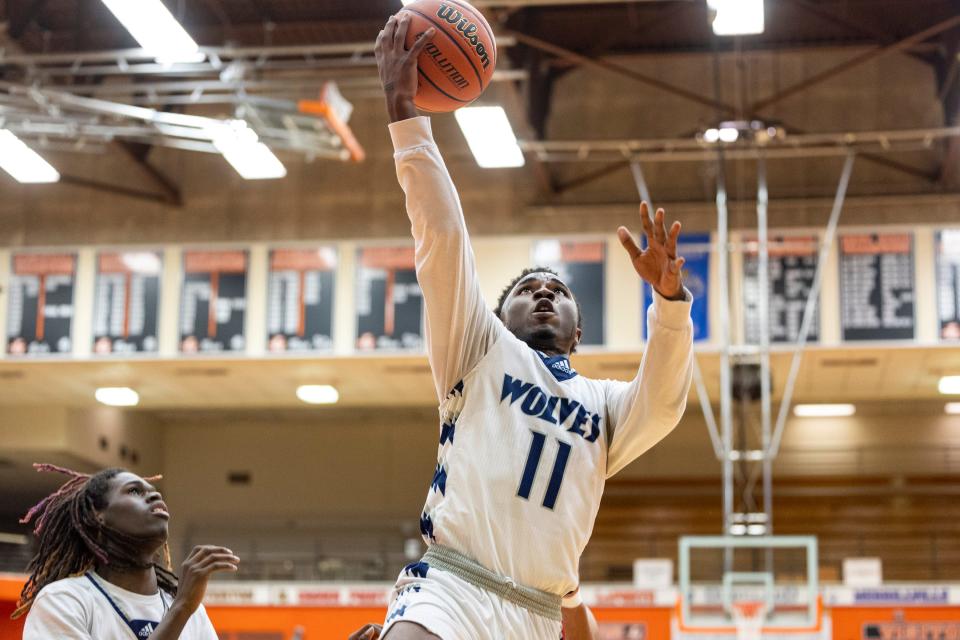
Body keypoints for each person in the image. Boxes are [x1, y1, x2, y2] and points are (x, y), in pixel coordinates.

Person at [373, 13, 694, 640]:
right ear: (497, 317)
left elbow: (662, 402)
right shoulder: (478, 349)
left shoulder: (603, 406)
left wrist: (671, 299)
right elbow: (442, 236)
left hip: (537, 616)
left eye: (559, 291)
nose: (544, 292)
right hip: (452, 586)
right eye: (526, 289)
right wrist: (407, 120)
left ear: (579, 334)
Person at [13, 463, 240, 639]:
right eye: (134, 491)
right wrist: (180, 610)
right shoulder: (64, 600)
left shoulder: (192, 611)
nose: (155, 496)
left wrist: (182, 607)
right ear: (96, 516)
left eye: (155, 492)